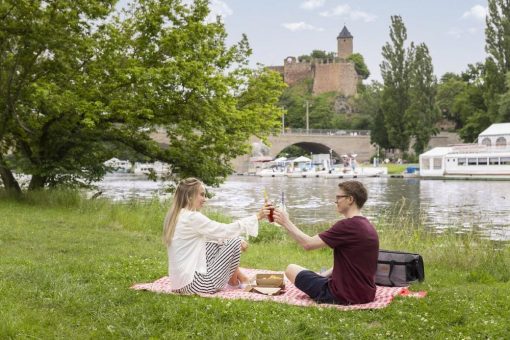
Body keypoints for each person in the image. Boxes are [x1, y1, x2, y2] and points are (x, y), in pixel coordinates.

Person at [272, 180, 379, 305]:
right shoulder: (366, 225)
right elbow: (351, 263)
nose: (336, 201)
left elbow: (308, 244)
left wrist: (286, 222)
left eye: (339, 197)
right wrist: (323, 275)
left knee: (291, 269)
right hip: (366, 294)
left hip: (343, 295)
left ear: (350, 199)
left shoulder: (347, 225)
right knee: (315, 274)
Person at [162, 177, 268, 294]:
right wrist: (257, 217)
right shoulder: (192, 217)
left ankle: (235, 280)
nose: (205, 199)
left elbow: (214, 235)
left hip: (179, 284)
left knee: (218, 242)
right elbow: (224, 230)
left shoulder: (177, 215)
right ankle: (235, 281)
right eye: (202, 195)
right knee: (234, 242)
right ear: (190, 196)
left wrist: (235, 238)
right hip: (196, 285)